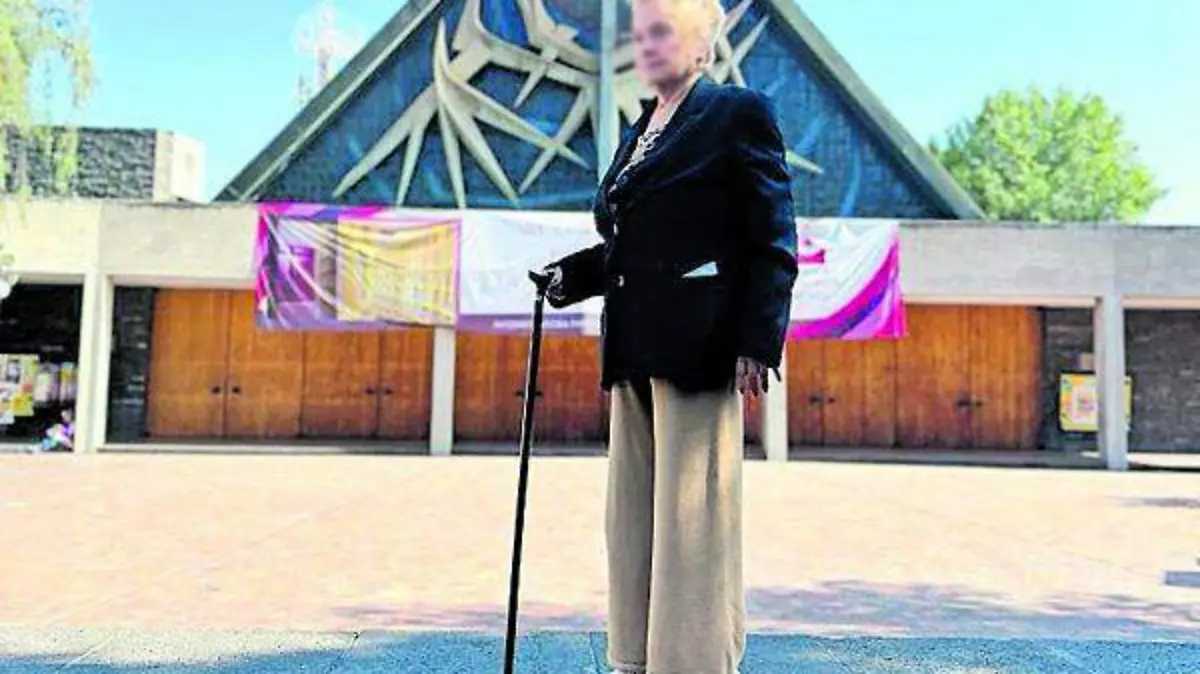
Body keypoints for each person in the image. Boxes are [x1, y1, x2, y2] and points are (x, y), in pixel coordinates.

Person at [538, 0, 798, 670]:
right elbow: (632, 247)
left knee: (692, 520)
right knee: (632, 517)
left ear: (702, 46)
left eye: (663, 33)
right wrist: (570, 278)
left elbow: (773, 238)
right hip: (631, 344)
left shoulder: (736, 113)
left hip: (699, 345)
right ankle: (634, 655)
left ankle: (692, 661)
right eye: (641, 35)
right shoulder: (638, 131)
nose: (647, 45)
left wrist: (757, 339)